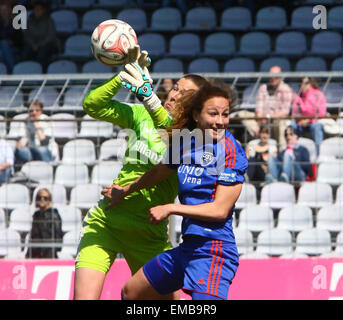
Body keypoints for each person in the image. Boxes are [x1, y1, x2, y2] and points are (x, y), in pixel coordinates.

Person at [74, 47, 208, 300]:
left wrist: (149, 97)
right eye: (175, 87)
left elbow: (169, 133)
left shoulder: (193, 138)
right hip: (108, 221)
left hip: (148, 232)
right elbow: (92, 105)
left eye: (183, 92)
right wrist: (123, 76)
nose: (174, 92)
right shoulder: (141, 114)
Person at [105, 83, 247, 300]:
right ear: (196, 116)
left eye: (225, 114)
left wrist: (170, 208)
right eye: (213, 114)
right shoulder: (186, 143)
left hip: (213, 252)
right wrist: (125, 190)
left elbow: (220, 210)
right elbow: (159, 171)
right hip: (188, 249)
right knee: (131, 292)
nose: (220, 121)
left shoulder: (230, 151)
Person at [256, 65, 293, 150]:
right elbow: (259, 109)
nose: (273, 79)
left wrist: (268, 117)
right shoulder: (263, 88)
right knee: (244, 116)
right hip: (262, 119)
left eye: (276, 77)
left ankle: (281, 152)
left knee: (281, 124)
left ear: (280, 78)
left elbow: (285, 112)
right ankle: (254, 153)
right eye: (271, 76)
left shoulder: (286, 89)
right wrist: (260, 120)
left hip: (277, 120)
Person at [291, 77, 326, 155]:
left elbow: (322, 113)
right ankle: (292, 152)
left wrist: (308, 120)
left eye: (305, 83)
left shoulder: (318, 94)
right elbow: (294, 113)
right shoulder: (296, 95)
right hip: (300, 122)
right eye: (300, 84)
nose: (302, 86)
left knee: (316, 126)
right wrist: (300, 120)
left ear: (310, 84)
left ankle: (319, 154)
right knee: (292, 125)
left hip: (314, 121)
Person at [26, 188, 63, 259]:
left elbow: (58, 235)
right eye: (40, 197)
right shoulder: (36, 215)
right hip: (35, 252)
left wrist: (55, 249)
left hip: (49, 252)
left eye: (45, 198)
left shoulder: (54, 215)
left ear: (49, 200)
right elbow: (33, 236)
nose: (42, 199)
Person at [22, 0, 58, 69]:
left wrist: (39, 45)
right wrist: (33, 44)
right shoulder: (29, 21)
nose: (36, 11)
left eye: (39, 9)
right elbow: (26, 35)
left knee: (42, 53)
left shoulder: (49, 20)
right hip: (32, 45)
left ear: (43, 10)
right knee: (25, 53)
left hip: (45, 44)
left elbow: (51, 36)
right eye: (35, 9)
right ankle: (26, 72)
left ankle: (41, 73)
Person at [0, 2, 22, 72]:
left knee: (3, 47)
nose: (3, 12)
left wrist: (12, 42)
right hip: (2, 48)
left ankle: (11, 71)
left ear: (9, 10)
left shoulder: (16, 22)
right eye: (1, 10)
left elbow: (20, 39)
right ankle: (12, 72)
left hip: (14, 48)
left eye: (5, 10)